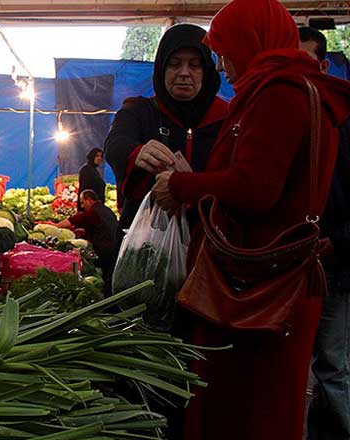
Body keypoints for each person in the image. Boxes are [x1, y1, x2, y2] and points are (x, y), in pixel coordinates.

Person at [150, 1, 350, 439]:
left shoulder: (280, 93)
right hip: (271, 279)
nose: (221, 64)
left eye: (225, 50)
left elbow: (256, 188)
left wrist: (185, 186)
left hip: (258, 286)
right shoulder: (292, 87)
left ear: (251, 41)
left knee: (246, 409)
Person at [104, 23, 229, 230]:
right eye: (174, 64)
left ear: (207, 70)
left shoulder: (228, 117)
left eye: (195, 65)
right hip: (147, 240)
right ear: (161, 67)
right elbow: (115, 144)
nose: (184, 73)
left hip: (210, 240)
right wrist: (137, 153)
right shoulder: (138, 110)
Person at [300, 26, 350, 440]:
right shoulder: (284, 117)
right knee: (295, 364)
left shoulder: (344, 119)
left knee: (332, 366)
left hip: (337, 264)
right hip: (293, 266)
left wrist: (337, 241)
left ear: (322, 64)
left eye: (305, 61)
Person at [57, 189, 119, 297]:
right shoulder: (106, 210)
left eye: (82, 202)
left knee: (106, 279)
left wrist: (54, 226)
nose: (82, 205)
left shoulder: (93, 212)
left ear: (89, 200)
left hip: (104, 251)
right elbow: (100, 227)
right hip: (115, 248)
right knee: (109, 277)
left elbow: (70, 222)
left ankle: (106, 301)